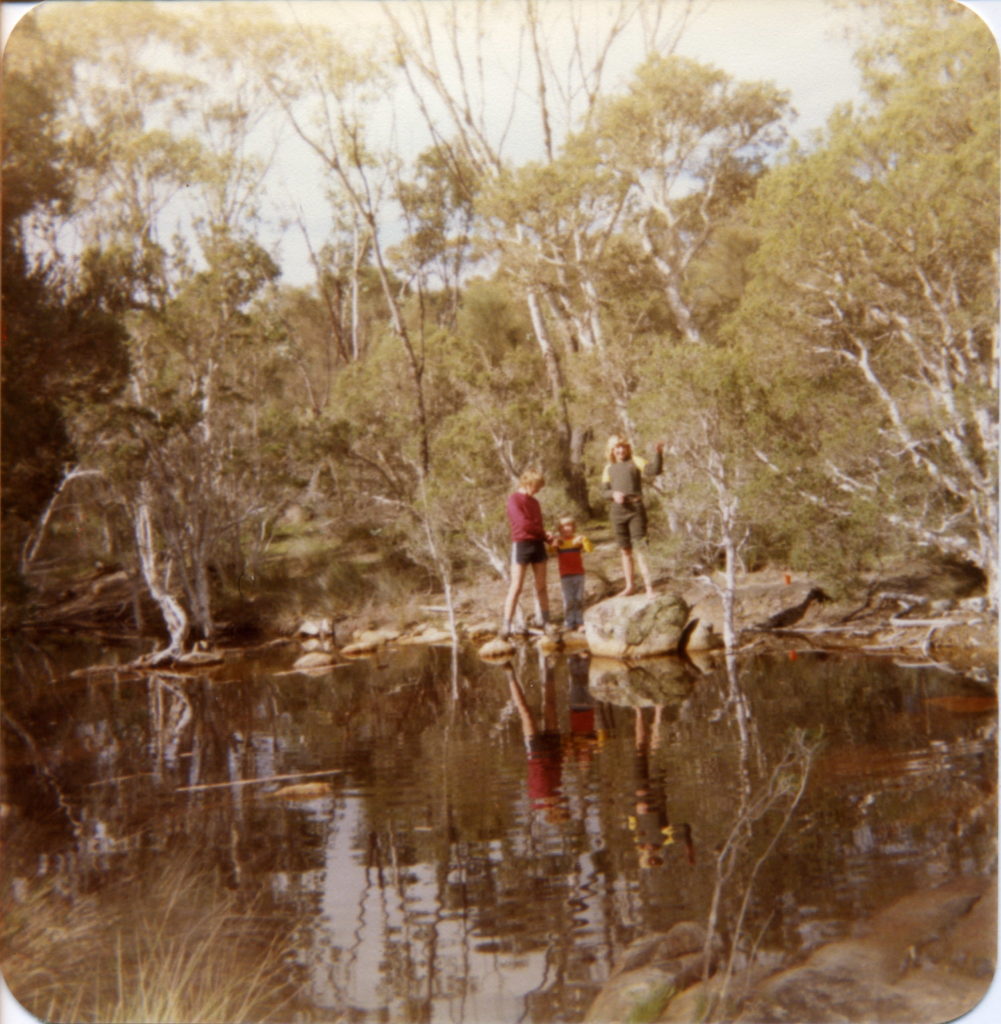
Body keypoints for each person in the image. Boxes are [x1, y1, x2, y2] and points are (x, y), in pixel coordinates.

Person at [601, 435, 664, 596]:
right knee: (625, 550)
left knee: (640, 548)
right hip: (617, 511)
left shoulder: (635, 460)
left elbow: (654, 470)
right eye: (617, 447)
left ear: (628, 448)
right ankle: (630, 586)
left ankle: (649, 588)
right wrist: (613, 494)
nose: (620, 450)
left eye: (623, 447)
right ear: (612, 450)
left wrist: (658, 453)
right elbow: (604, 491)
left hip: (635, 509)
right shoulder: (608, 468)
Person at [501, 467, 552, 638]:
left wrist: (547, 537)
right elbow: (524, 524)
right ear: (528, 483)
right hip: (522, 544)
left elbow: (537, 525)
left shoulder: (535, 502)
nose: (538, 490)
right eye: (537, 486)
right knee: (516, 586)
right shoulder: (514, 500)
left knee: (541, 586)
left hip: (537, 544)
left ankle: (547, 623)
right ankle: (506, 625)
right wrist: (545, 534)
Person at [549, 515, 593, 631]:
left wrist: (585, 540)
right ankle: (569, 621)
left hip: (579, 573)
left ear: (573, 527)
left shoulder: (578, 539)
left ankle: (579, 621)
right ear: (560, 529)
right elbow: (550, 551)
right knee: (568, 599)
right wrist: (553, 544)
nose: (566, 529)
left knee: (578, 598)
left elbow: (589, 549)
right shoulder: (559, 541)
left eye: (569, 526)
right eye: (563, 526)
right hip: (565, 574)